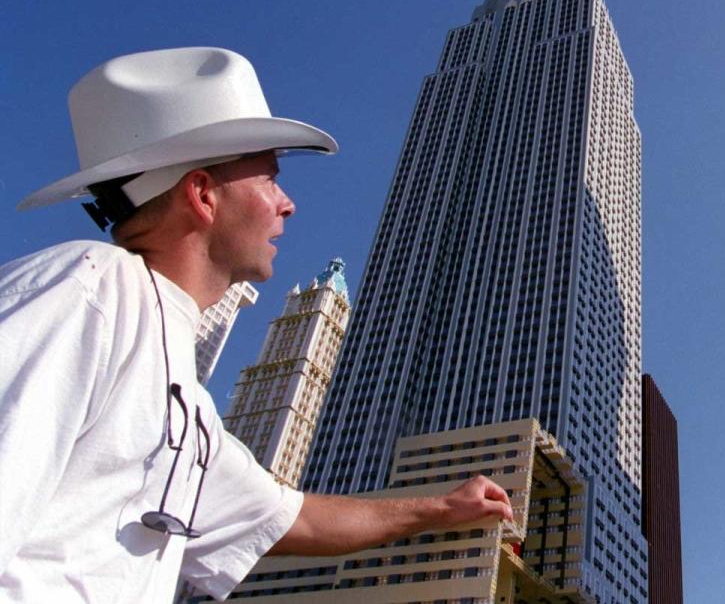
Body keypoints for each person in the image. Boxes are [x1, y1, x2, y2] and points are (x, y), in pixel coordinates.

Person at [0, 48, 514, 602]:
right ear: (202, 195)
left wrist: (441, 508)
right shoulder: (89, 289)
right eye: (269, 179)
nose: (286, 204)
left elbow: (293, 521)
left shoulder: (186, 400)